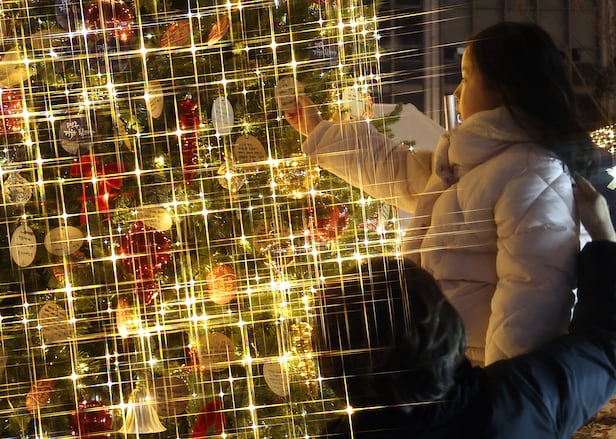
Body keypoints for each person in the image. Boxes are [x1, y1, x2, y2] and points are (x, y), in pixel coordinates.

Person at [286, 21, 597, 365]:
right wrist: (317, 130)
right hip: (444, 366)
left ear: (505, 87)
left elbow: (530, 304)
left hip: (473, 375)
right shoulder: (472, 163)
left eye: (466, 77)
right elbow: (395, 171)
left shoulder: (533, 175)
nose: (458, 92)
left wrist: (492, 390)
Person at [315, 176, 616, 439]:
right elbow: (607, 344)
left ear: (330, 368)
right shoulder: (522, 398)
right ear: (449, 327)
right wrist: (604, 234)